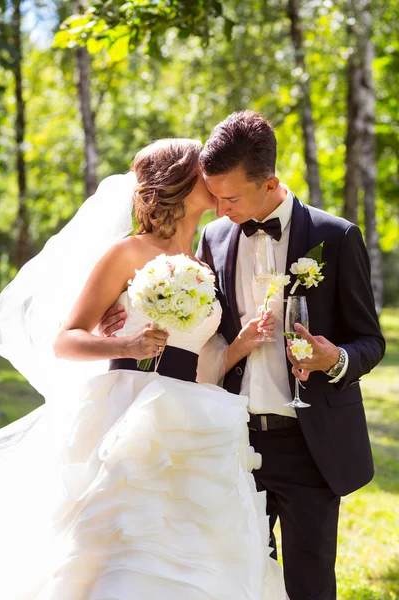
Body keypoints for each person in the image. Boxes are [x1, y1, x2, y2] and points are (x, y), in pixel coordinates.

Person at [102, 112, 385, 600]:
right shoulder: (213, 240)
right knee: (241, 581)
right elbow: (195, 322)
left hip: (309, 446)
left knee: (309, 583)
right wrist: (122, 303)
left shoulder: (335, 238)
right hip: (232, 441)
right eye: (213, 196)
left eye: (229, 198)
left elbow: (371, 340)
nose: (219, 209)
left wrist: (334, 358)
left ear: (270, 182)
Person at [0, 138, 287, 599]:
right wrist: (128, 344)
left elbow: (201, 363)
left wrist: (238, 345)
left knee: (196, 557)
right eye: (203, 171)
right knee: (127, 553)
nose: (214, 179)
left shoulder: (204, 261)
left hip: (195, 424)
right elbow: (65, 340)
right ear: (178, 182)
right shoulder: (128, 254)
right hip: (129, 420)